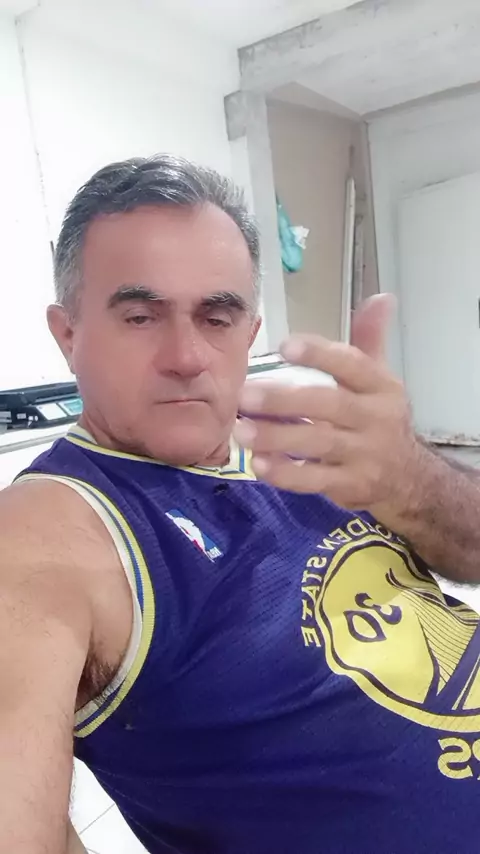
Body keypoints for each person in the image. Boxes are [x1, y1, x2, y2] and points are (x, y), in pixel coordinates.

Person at [2, 155, 480, 854]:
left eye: (217, 317)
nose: (187, 355)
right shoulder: (49, 528)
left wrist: (412, 477)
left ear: (249, 334)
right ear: (67, 333)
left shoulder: (309, 437)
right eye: (141, 316)